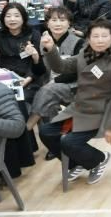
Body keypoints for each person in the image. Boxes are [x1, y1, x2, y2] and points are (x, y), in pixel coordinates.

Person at [38, 19, 111, 186]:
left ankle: (99, 159)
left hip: (102, 113)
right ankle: (77, 163)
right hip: (79, 109)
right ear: (88, 38)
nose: (100, 40)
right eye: (95, 36)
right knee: (46, 132)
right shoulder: (84, 54)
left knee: (69, 142)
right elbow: (61, 67)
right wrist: (51, 49)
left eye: (104, 36)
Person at [26, 7, 84, 138]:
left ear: (69, 23)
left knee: (47, 92)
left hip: (73, 85)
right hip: (48, 84)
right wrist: (35, 58)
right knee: (44, 95)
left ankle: (27, 128)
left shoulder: (78, 42)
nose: (58, 24)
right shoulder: (43, 41)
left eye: (62, 20)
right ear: (47, 23)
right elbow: (40, 71)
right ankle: (54, 135)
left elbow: (77, 70)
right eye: (54, 20)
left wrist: (55, 81)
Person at [0, 3, 46, 103]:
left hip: (28, 77)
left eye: (16, 16)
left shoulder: (33, 34)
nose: (12, 19)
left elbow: (39, 66)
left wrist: (28, 78)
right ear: (3, 18)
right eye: (8, 16)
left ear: (23, 18)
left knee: (18, 99)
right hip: (5, 76)